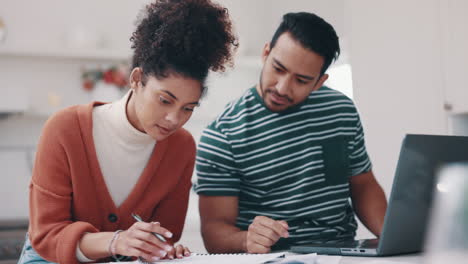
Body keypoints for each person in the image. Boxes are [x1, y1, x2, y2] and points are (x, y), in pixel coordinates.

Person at [18, 0, 236, 263]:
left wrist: (160, 248)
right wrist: (116, 240)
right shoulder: (65, 129)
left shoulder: (182, 148)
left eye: (188, 108)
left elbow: (165, 233)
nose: (174, 119)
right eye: (165, 100)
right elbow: (47, 234)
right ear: (136, 79)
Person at [195, 12, 388, 253]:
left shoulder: (341, 111)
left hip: (343, 252)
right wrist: (247, 240)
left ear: (319, 81)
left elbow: (363, 185)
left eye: (302, 80)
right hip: (274, 256)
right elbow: (214, 232)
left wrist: (393, 237)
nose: (283, 87)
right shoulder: (222, 135)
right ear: (266, 54)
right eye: (278, 69)